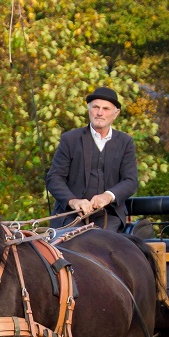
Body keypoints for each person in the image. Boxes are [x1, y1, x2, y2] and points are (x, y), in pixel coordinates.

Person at [45, 86, 138, 232]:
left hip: (110, 215)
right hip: (71, 216)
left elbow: (130, 181)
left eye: (106, 109)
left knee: (103, 245)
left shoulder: (125, 142)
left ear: (116, 113)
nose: (100, 113)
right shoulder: (70, 139)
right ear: (89, 110)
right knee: (75, 244)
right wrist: (73, 201)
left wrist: (108, 196)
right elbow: (54, 178)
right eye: (96, 107)